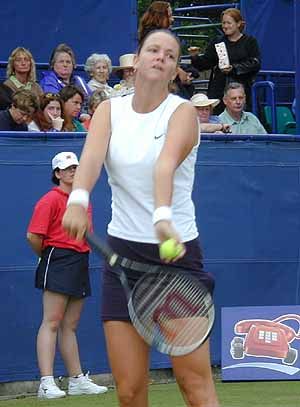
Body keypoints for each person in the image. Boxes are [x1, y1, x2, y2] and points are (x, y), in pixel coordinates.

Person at [62, 29, 219, 407]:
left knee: (193, 386)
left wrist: (163, 219)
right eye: (153, 49)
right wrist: (78, 200)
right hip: (123, 259)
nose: (160, 57)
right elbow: (91, 162)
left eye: (169, 54)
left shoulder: (182, 113)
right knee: (130, 392)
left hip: (175, 259)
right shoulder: (109, 110)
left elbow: (163, 167)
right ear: (137, 59)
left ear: (173, 70)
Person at [27, 151, 108, 399]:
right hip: (57, 258)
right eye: (68, 168)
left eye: (76, 167)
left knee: (70, 325)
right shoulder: (49, 200)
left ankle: (76, 380)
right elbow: (33, 236)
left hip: (79, 259)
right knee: (51, 321)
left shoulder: (83, 202)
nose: (73, 171)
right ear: (58, 174)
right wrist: (49, 256)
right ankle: (46, 383)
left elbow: (86, 234)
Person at [189, 8, 261, 114]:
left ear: (239, 24)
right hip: (220, 90)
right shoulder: (217, 42)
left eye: (229, 23)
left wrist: (234, 69)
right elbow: (206, 63)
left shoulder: (250, 42)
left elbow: (255, 63)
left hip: (243, 89)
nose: (225, 26)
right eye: (223, 23)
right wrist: (195, 57)